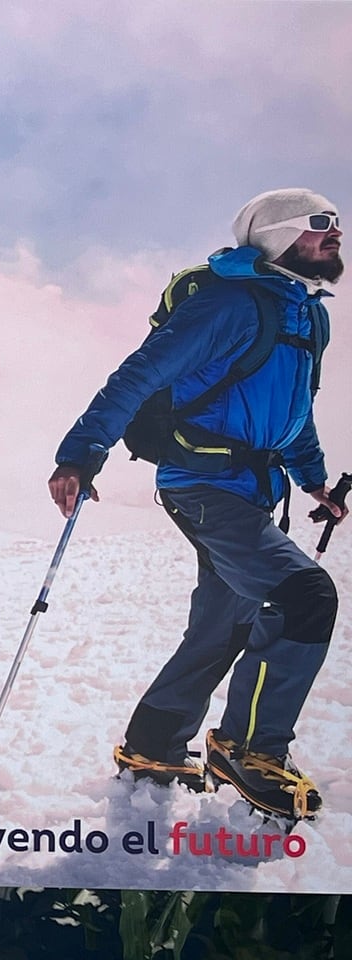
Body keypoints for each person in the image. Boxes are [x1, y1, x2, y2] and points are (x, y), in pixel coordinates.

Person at [49, 188, 343, 820]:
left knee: (227, 624)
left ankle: (154, 744)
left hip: (255, 489)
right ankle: (250, 749)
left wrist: (313, 479)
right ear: (276, 236)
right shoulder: (228, 304)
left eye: (337, 226)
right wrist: (80, 453)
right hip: (202, 485)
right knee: (304, 595)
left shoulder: (307, 315)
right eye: (321, 226)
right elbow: (140, 374)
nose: (335, 235)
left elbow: (295, 411)